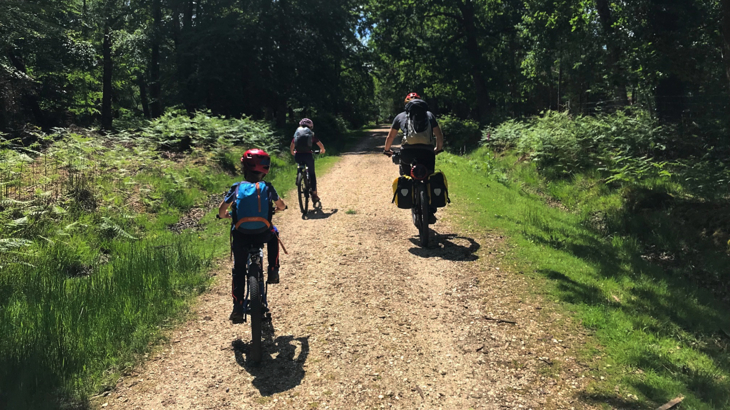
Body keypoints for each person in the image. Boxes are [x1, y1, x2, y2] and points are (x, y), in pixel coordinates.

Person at [218, 148, 286, 323]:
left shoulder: (237, 187)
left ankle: (238, 307)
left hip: (241, 235)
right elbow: (282, 205)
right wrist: (278, 209)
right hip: (262, 234)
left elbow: (222, 209)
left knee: (239, 269)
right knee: (274, 233)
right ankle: (273, 270)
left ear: (244, 167)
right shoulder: (267, 187)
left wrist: (223, 215)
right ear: (265, 169)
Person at [384, 92, 444, 222]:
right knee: (429, 177)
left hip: (407, 152)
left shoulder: (400, 116)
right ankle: (431, 208)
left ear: (406, 104)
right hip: (427, 151)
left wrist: (387, 150)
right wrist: (438, 149)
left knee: (406, 175)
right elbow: (439, 135)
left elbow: (391, 137)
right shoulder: (429, 115)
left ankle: (410, 199)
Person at [290, 118, 326, 203]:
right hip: (308, 155)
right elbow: (320, 144)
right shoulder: (311, 134)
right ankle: (314, 194)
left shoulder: (297, 133)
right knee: (312, 174)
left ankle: (299, 174)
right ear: (311, 126)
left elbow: (292, 146)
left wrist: (293, 152)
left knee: (299, 164)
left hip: (298, 155)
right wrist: (322, 150)